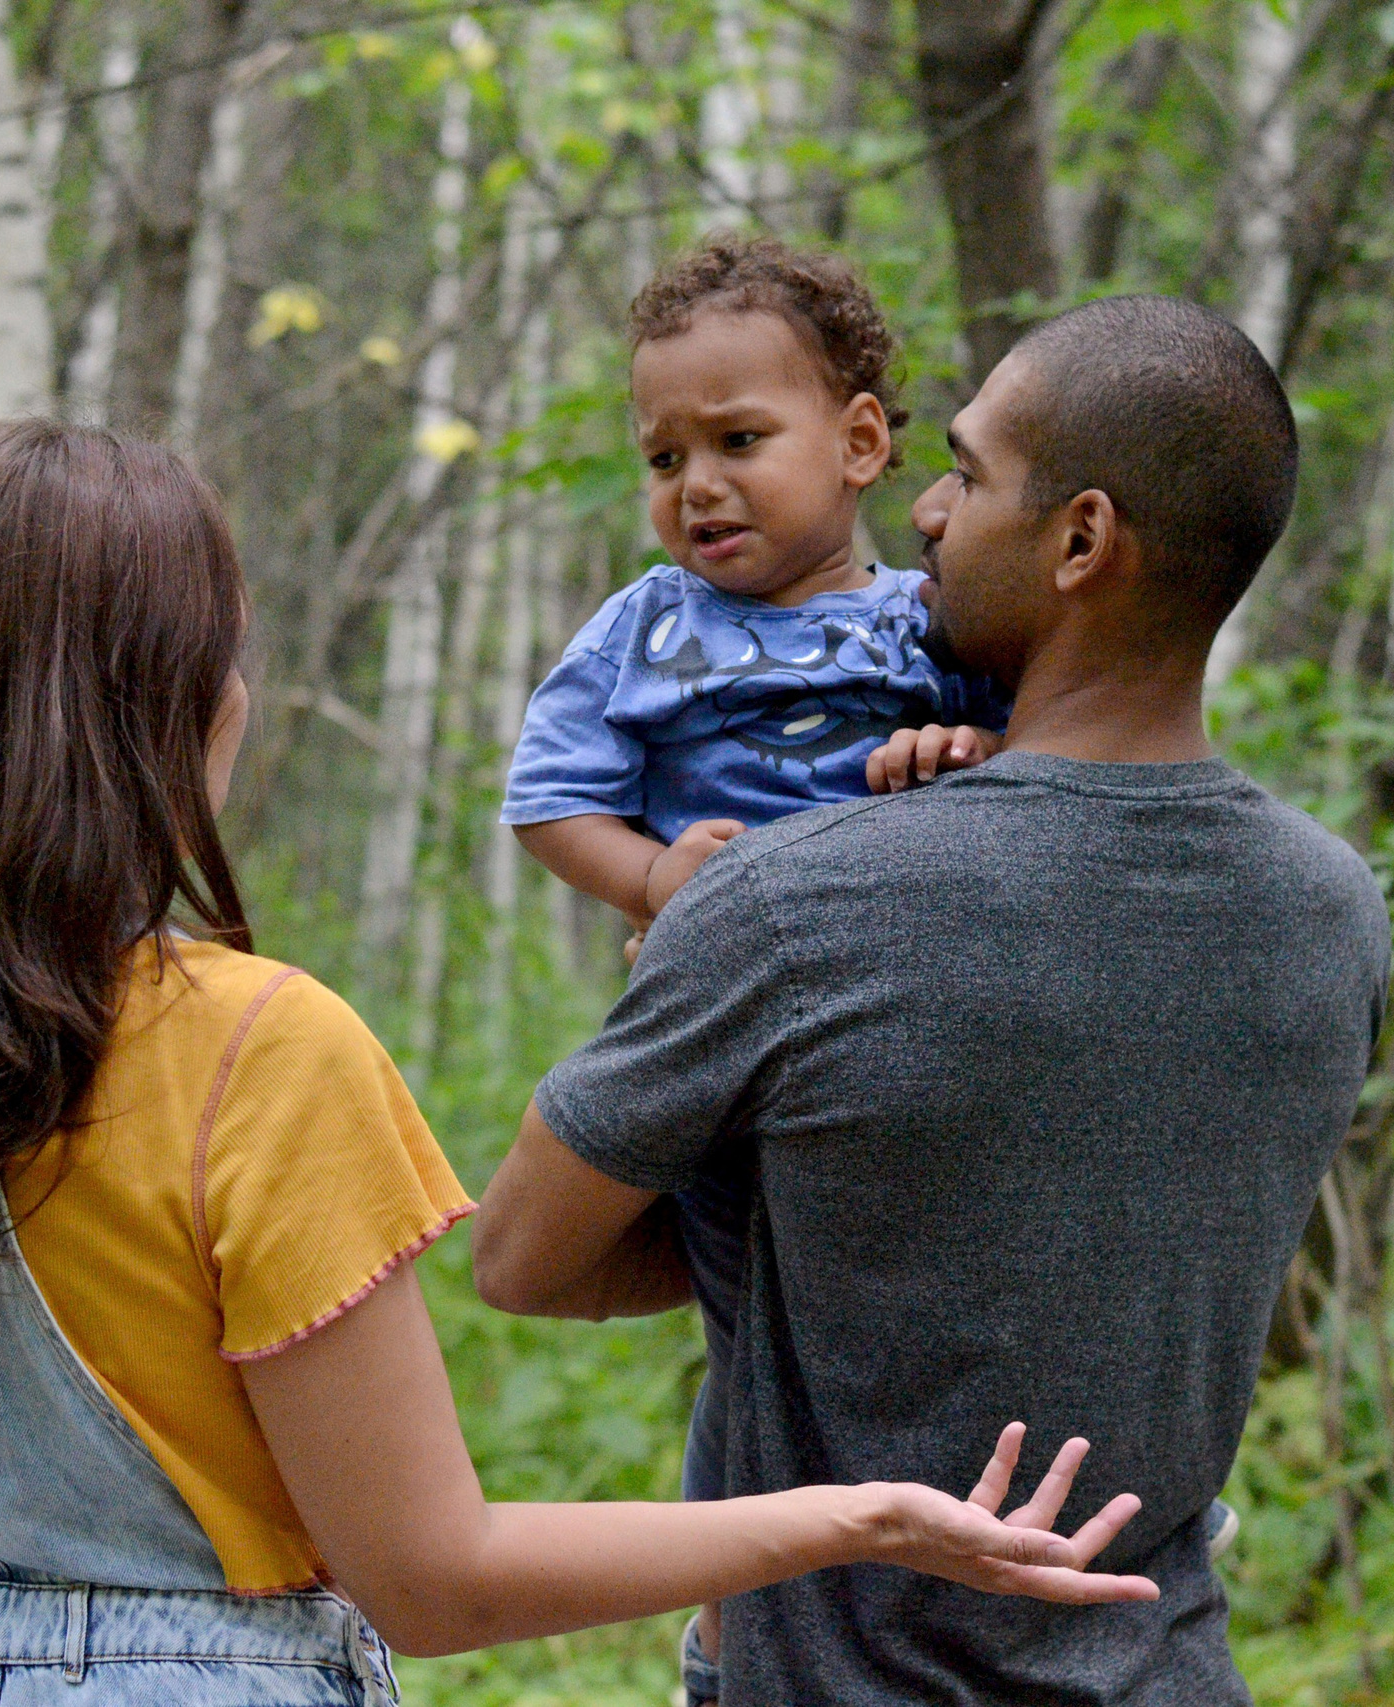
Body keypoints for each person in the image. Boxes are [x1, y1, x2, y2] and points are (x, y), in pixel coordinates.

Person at [0, 419, 1158, 1707]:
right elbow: (432, 1580)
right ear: (169, 707)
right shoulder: (257, 1051)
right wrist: (864, 1518)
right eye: (225, 649)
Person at [474, 296, 1394, 1705]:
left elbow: (524, 1260)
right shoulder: (1336, 916)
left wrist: (797, 1253)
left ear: (1081, 540)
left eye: (963, 473)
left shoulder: (792, 901)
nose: (928, 518)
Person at [498, 236, 1005, 1685]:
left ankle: (946, 1547)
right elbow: (549, 799)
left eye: (736, 441)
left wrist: (965, 749)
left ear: (859, 445)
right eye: (663, 456)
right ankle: (738, 1602)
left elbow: (1035, 763)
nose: (695, 487)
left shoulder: (935, 621)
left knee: (904, 1293)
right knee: (752, 1316)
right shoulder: (649, 627)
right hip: (724, 1046)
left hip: (903, 1031)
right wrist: (657, 874)